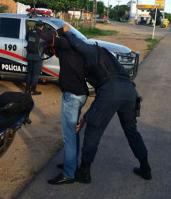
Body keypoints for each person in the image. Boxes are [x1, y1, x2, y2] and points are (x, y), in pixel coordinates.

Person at [63, 24, 152, 183]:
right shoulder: (108, 57)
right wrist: (87, 117)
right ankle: (145, 168)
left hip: (112, 91)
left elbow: (77, 44)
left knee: (94, 130)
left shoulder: (92, 50)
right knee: (132, 130)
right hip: (131, 92)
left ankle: (84, 172)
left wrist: (67, 32)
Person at [38, 28, 89, 185]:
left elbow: (48, 37)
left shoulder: (65, 43)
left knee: (68, 136)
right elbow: (53, 47)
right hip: (81, 94)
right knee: (73, 133)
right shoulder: (76, 47)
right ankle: (71, 164)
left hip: (72, 96)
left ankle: (68, 174)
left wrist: (39, 29)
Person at [25, 20, 45, 95]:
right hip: (37, 56)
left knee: (29, 73)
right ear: (42, 26)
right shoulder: (41, 34)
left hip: (29, 55)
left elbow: (27, 38)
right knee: (35, 74)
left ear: (35, 25)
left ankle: (27, 90)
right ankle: (33, 90)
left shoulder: (29, 32)